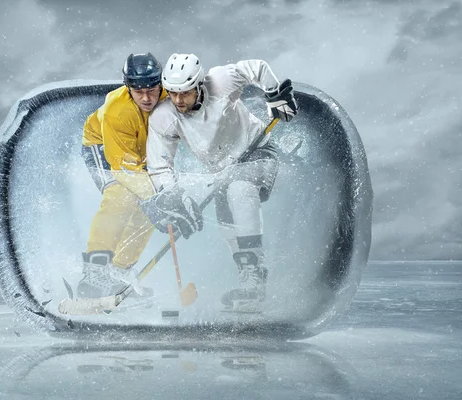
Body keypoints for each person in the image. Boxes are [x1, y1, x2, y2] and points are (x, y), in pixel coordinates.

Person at [143, 53, 299, 308]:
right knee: (227, 218)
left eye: (185, 92)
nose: (178, 100)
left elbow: (256, 67)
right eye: (172, 93)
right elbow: (159, 165)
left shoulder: (221, 81)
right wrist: (172, 196)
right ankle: (249, 282)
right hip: (222, 171)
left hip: (257, 150)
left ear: (199, 84)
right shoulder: (163, 117)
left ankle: (256, 273)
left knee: (239, 189)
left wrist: (274, 95)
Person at [77, 52, 168, 299]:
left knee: (148, 210)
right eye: (139, 91)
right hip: (104, 148)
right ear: (128, 87)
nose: (147, 97)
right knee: (123, 194)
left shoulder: (174, 95)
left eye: (152, 88)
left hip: (141, 148)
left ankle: (119, 272)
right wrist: (155, 197)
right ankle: (95, 273)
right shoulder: (116, 111)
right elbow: (125, 170)